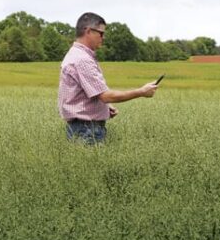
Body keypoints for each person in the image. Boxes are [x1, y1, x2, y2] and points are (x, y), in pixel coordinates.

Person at [58, 12, 157, 144]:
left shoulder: (76, 54)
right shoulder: (82, 59)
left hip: (82, 127)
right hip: (86, 130)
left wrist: (103, 107)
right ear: (88, 31)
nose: (103, 38)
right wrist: (142, 92)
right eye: (101, 33)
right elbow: (106, 96)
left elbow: (86, 93)